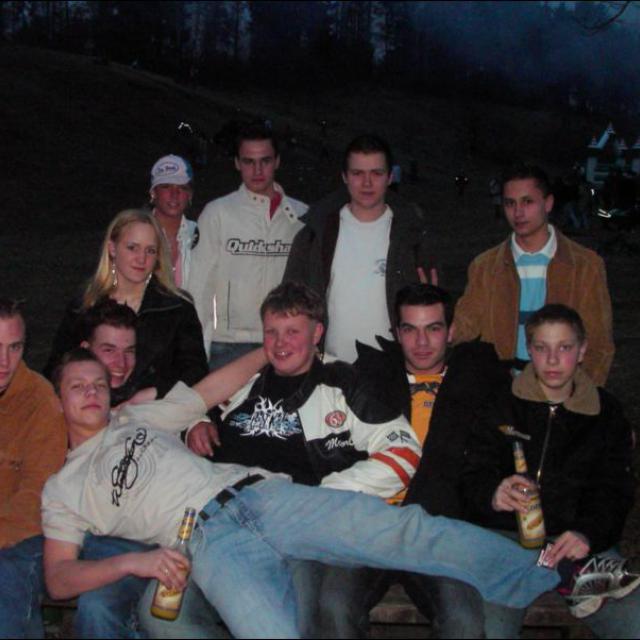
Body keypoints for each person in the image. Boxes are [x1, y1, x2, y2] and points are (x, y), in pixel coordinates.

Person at [43, 346, 584, 640]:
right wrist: (134, 563)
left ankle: (552, 570)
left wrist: (269, 348)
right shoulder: (63, 488)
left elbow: (210, 390)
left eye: (99, 384)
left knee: (404, 528)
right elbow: (59, 577)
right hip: (207, 543)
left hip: (262, 495)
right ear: (57, 397)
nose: (92, 392)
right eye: (78, 385)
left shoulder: (136, 418)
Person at [149, 281, 422, 638]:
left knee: (295, 625)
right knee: (160, 617)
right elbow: (193, 405)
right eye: (271, 332)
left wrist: (321, 495)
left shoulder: (345, 383)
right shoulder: (246, 380)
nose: (280, 343)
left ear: (317, 333)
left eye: (293, 331)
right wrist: (196, 424)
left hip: (292, 535)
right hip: (219, 526)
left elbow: (404, 452)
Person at [462, 304, 640, 637]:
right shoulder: (500, 403)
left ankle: (570, 572)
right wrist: (493, 493)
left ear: (582, 350)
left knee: (635, 619)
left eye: (565, 347)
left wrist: (587, 533)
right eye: (542, 348)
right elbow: (471, 471)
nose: (553, 360)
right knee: (491, 630)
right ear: (529, 349)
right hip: (505, 538)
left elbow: (615, 489)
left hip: (575, 542)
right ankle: (561, 575)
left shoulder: (605, 413)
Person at [349, 283, 511, 638]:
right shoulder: (370, 378)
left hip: (439, 532)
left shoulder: (477, 379)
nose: (421, 342)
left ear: (451, 331)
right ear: (397, 333)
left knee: (464, 623)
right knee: (331, 610)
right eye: (410, 329)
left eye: (433, 328)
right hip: (372, 527)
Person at [454, 164, 614, 386]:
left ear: (548, 203)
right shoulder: (485, 266)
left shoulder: (585, 266)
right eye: (510, 203)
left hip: (562, 388)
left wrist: (581, 394)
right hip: (502, 388)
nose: (518, 212)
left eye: (527, 202)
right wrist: (437, 319)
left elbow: (598, 342)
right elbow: (466, 324)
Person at [284, 134, 439, 363]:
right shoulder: (314, 235)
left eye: (376, 173)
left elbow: (436, 314)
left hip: (393, 368)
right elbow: (290, 303)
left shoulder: (414, 238)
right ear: (344, 176)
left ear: (390, 177)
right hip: (329, 366)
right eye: (358, 173)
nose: (367, 183)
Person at [43, 209, 208, 396]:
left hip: (156, 408)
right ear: (112, 248)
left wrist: (155, 392)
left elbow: (196, 371)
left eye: (150, 250)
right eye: (132, 248)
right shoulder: (85, 305)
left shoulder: (177, 308)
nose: (141, 258)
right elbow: (56, 370)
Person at [187, 122, 307, 370]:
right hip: (228, 346)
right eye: (249, 161)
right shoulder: (217, 213)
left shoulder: (301, 216)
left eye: (265, 161)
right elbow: (198, 286)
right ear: (237, 163)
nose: (257, 170)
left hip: (285, 343)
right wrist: (196, 350)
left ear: (277, 161)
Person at [0, 297, 67, 638]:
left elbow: (36, 496)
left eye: (14, 348)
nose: (4, 362)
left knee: (6, 580)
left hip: (22, 535)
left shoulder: (40, 401)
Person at [149, 154, 199, 288]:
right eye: (166, 186)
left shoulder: (202, 234)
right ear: (153, 192)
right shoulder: (136, 234)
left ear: (190, 195)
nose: (174, 194)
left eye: (182, 187)